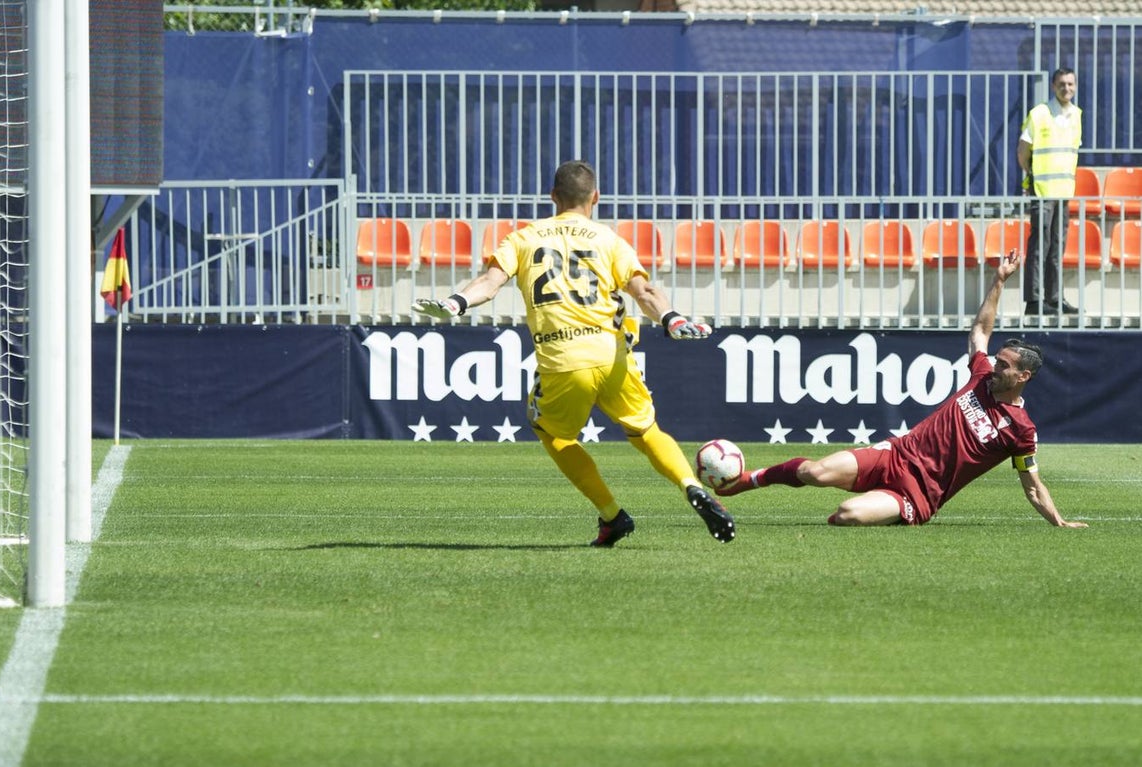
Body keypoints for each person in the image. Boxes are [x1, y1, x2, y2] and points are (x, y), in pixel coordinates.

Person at [412, 160, 735, 547]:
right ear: (595, 197)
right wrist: (671, 318)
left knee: (552, 433)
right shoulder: (609, 240)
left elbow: (489, 283)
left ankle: (613, 515)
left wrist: (455, 303)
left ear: (552, 197)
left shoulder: (523, 238)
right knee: (646, 430)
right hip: (612, 354)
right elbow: (645, 293)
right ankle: (689, 485)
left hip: (562, 359)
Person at [718, 250, 1087, 529]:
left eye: (1004, 365)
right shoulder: (981, 375)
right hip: (895, 454)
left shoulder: (1021, 430)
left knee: (846, 515)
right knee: (814, 472)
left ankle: (880, 503)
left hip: (919, 493)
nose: (995, 365)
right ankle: (747, 481)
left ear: (1023, 377)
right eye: (997, 360)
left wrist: (1058, 521)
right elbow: (980, 332)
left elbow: (1033, 484)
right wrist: (1000, 281)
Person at [1018, 66, 1082, 316]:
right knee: (1039, 245)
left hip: (1064, 191)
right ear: (1053, 87)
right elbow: (1023, 150)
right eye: (1062, 84)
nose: (1067, 88)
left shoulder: (1076, 114)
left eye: (1070, 84)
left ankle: (1054, 298)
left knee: (1057, 246)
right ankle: (1034, 301)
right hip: (1042, 189)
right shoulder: (1039, 113)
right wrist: (1033, 177)